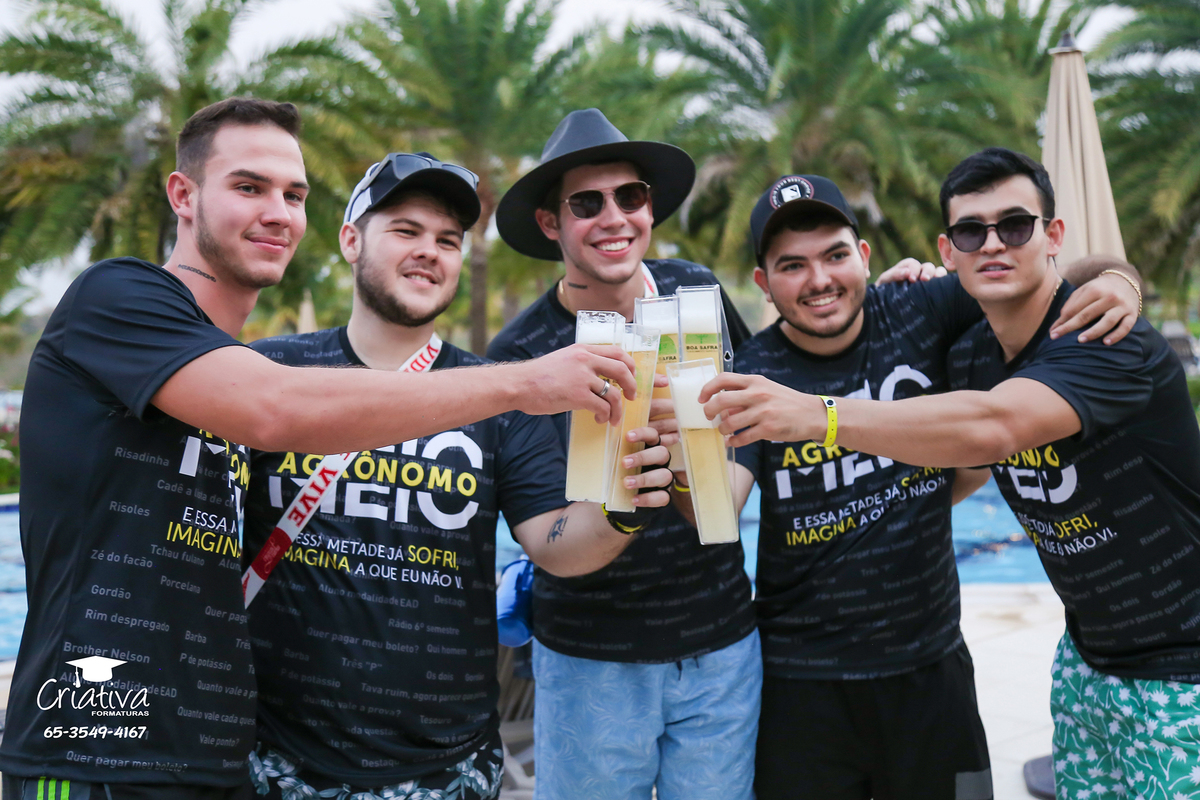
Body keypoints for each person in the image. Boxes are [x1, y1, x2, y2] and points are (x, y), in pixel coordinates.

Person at [0, 98, 641, 800]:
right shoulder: (119, 298)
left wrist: (627, 490)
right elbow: (275, 408)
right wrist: (521, 382)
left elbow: (554, 538)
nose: (277, 212)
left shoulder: (229, 369)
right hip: (97, 749)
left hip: (221, 756)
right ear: (183, 195)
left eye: (294, 194)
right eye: (249, 186)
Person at [702, 148, 1199, 800]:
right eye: (971, 232)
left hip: (1167, 671)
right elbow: (718, 507)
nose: (993, 244)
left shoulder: (1095, 337)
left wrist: (1119, 278)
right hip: (1073, 663)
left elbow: (995, 422)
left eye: (1015, 225)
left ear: (864, 256)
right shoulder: (965, 351)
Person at [241, 152, 673, 799]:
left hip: (447, 767)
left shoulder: (500, 392)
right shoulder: (269, 373)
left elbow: (555, 544)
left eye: (448, 240)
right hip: (275, 759)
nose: (430, 252)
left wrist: (622, 505)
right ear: (351, 241)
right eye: (406, 231)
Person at [487, 108, 760, 800]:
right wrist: (628, 501)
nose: (614, 218)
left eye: (630, 196)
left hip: (721, 647)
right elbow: (546, 539)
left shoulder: (698, 292)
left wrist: (696, 469)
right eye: (587, 203)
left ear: (650, 206)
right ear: (550, 223)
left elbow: (753, 426)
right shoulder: (519, 355)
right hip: (590, 661)